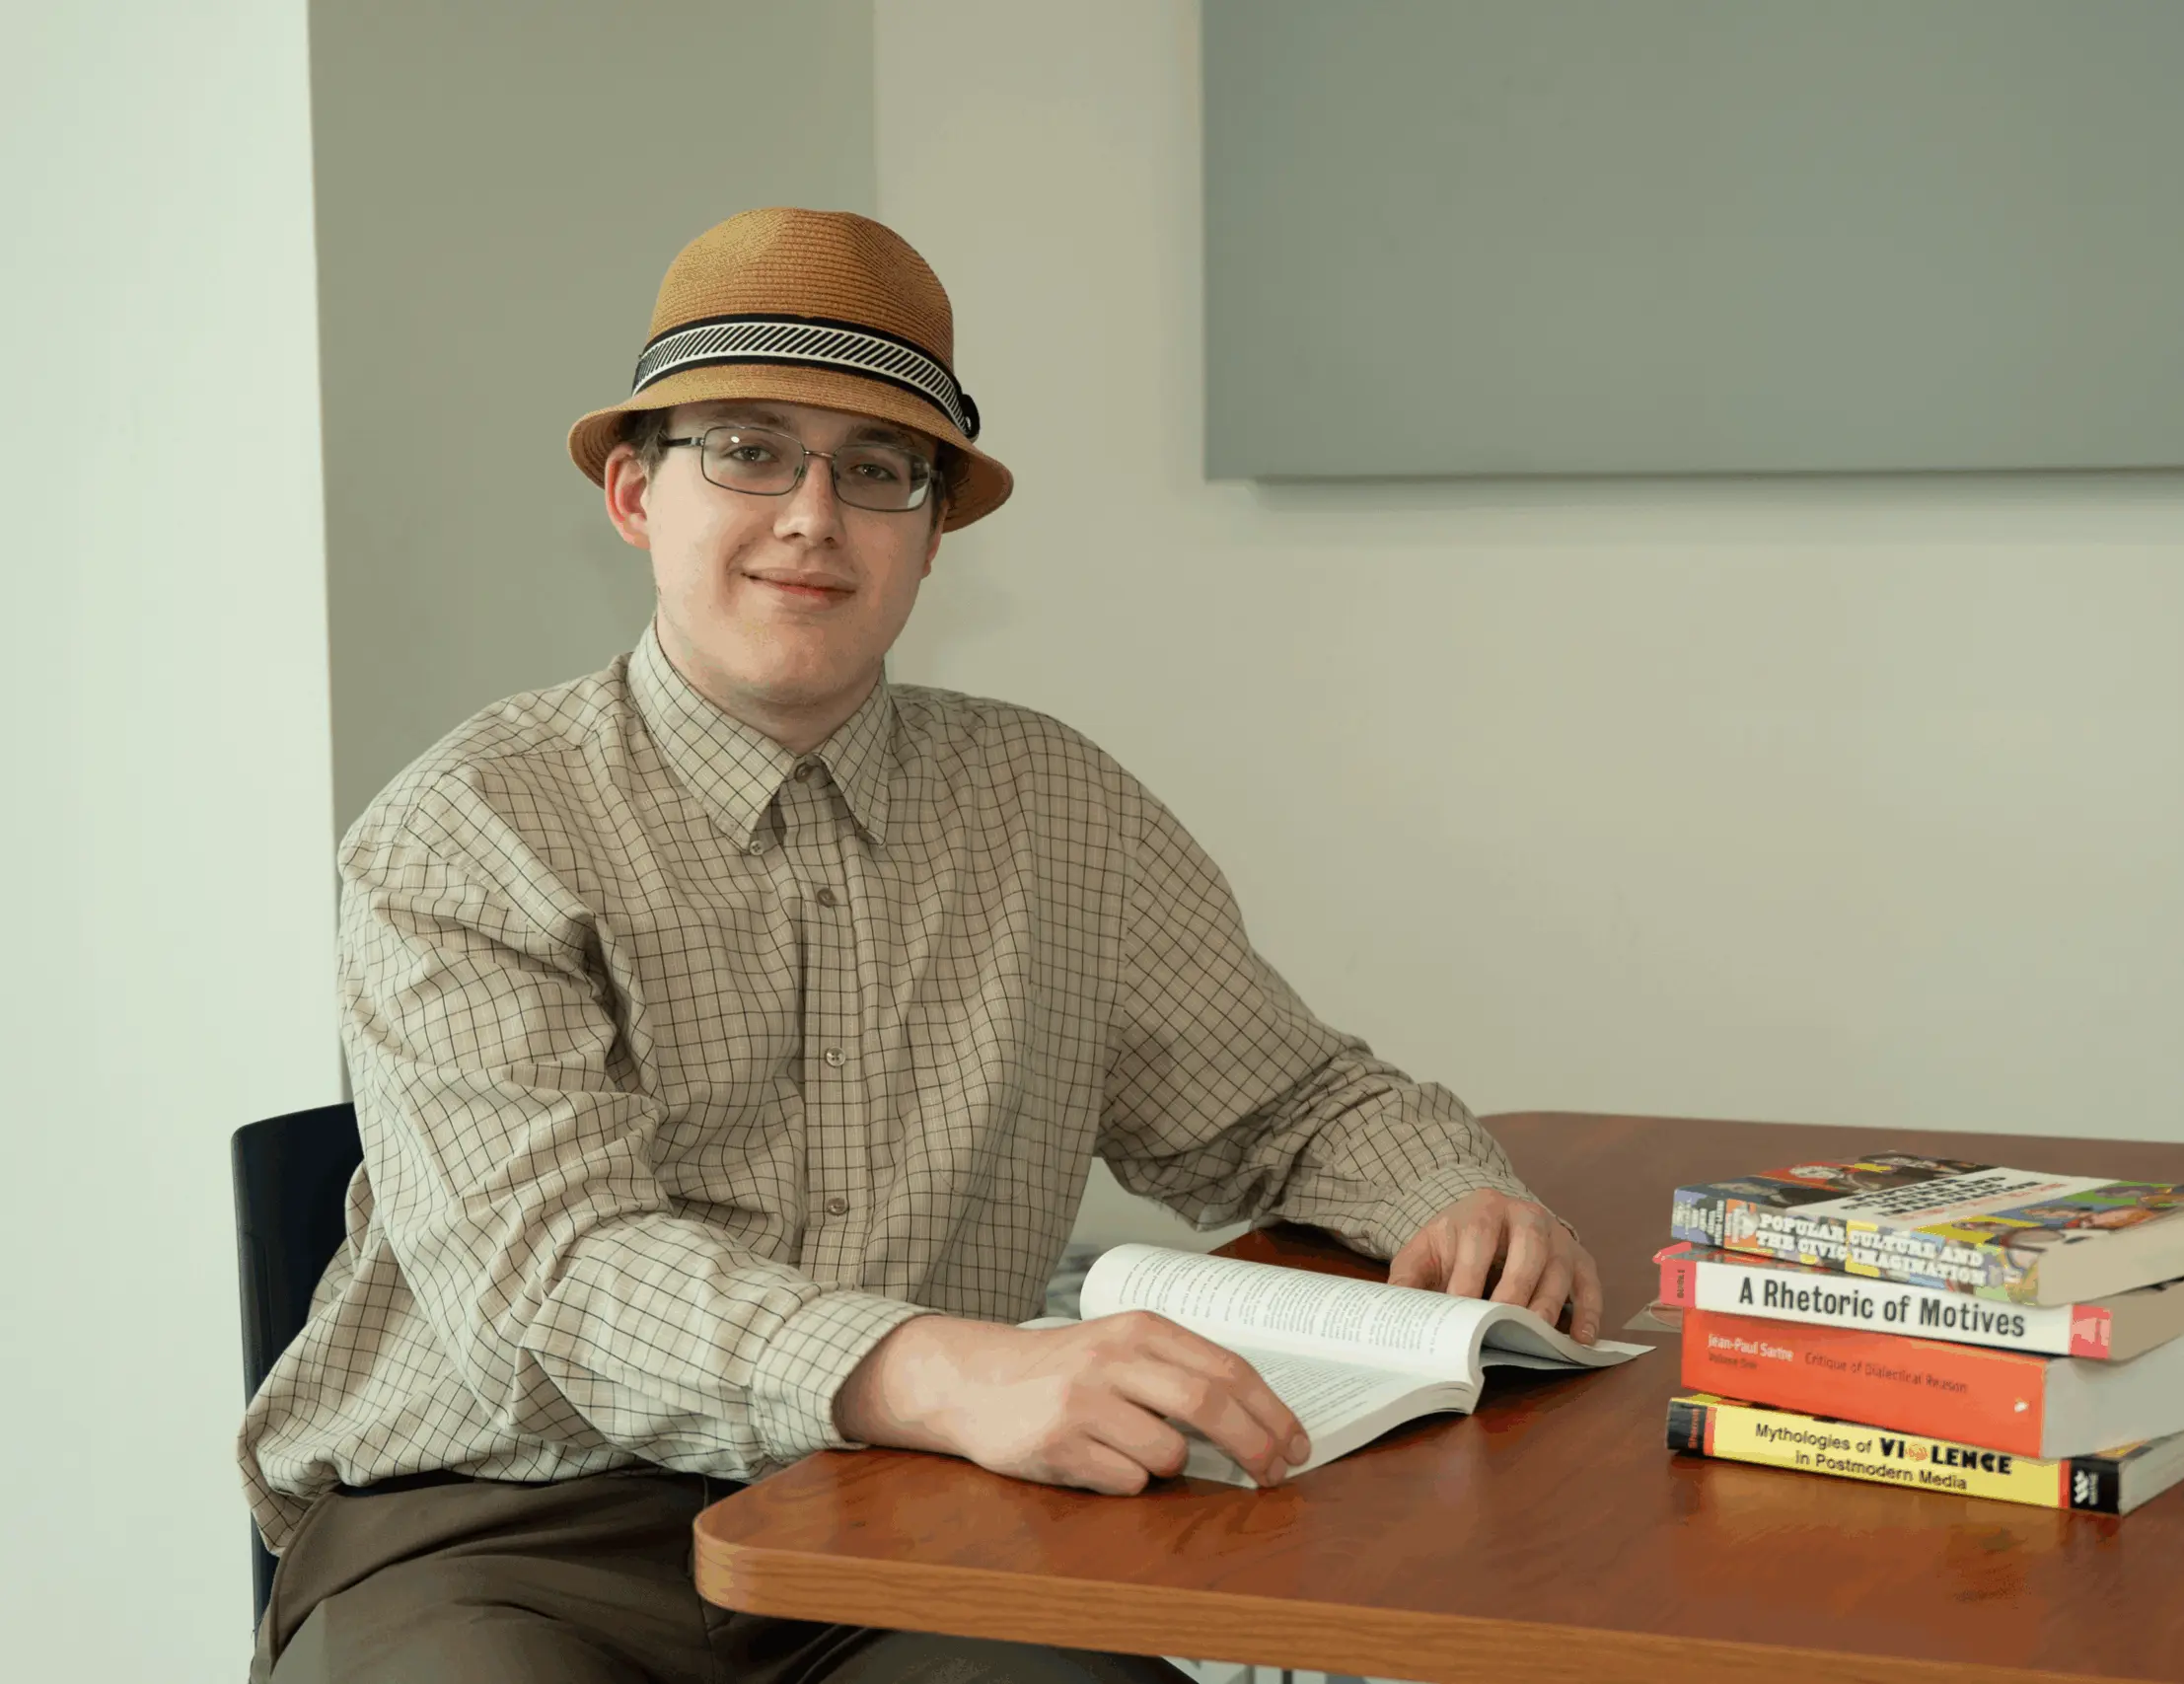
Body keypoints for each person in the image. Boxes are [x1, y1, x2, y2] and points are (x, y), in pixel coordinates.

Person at [237, 207, 1603, 1683]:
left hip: (907, 1526)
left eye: (876, 469)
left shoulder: (1057, 808)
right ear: (636, 494)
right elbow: (557, 1278)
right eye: (748, 448)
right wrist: (949, 1367)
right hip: (501, 1530)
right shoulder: (468, 827)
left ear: (932, 532)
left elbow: (1288, 1103)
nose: (813, 515)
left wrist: (1452, 1186)